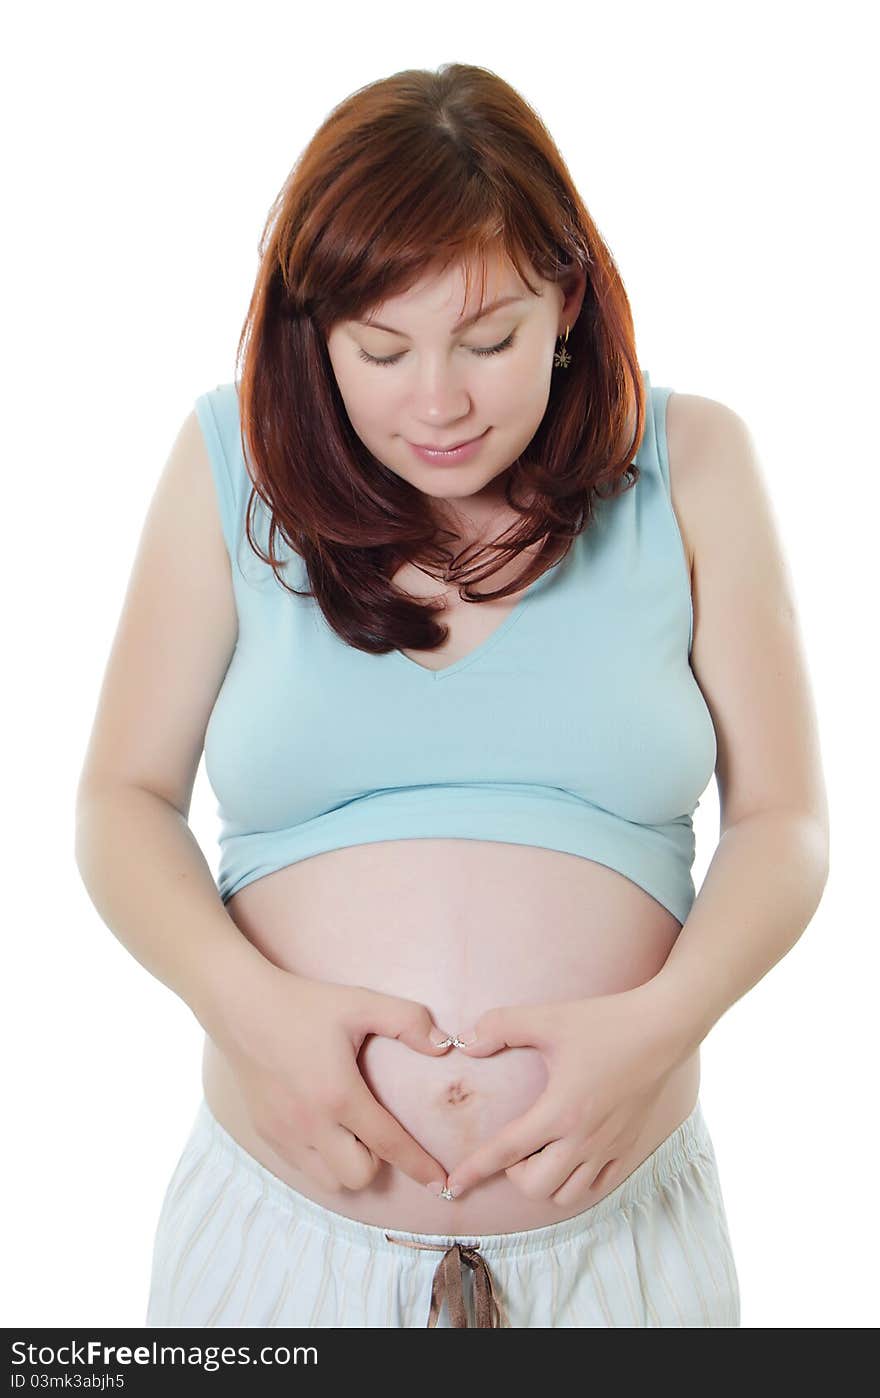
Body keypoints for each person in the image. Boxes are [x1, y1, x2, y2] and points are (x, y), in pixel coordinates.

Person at [74, 63, 829, 1328]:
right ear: (316, 332)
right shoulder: (226, 464)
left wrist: (658, 1029)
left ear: (570, 300)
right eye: (382, 348)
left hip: (616, 1245)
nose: (438, 402)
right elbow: (120, 798)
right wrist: (248, 1009)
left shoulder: (694, 463)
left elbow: (784, 826)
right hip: (282, 1240)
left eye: (490, 341)